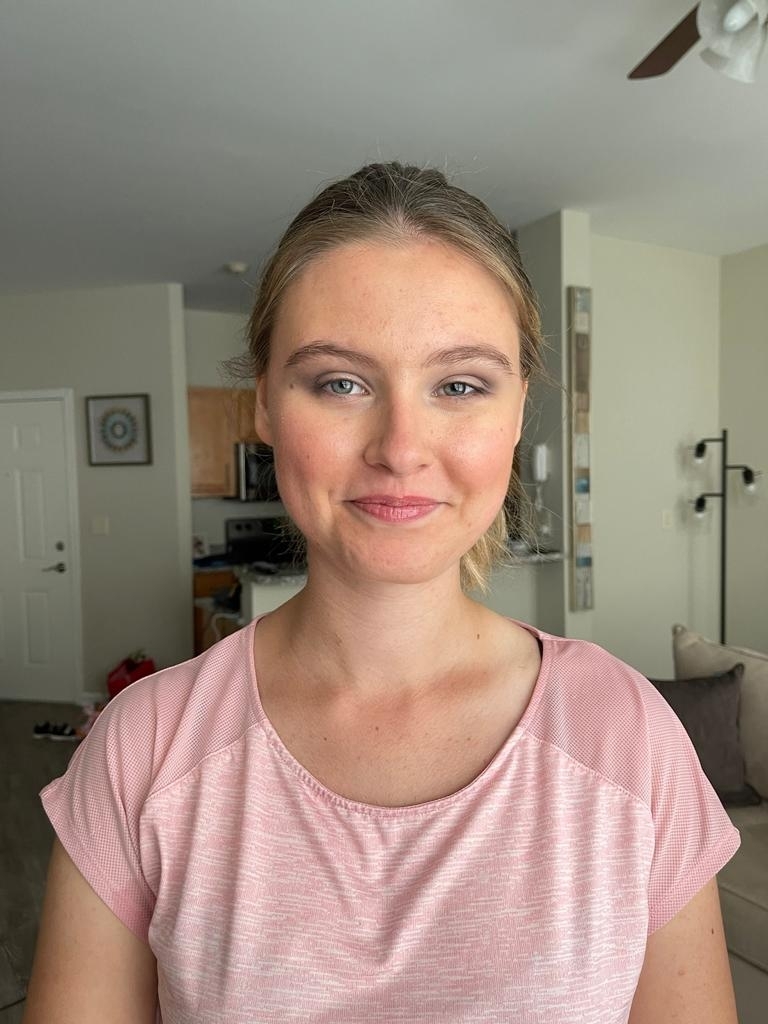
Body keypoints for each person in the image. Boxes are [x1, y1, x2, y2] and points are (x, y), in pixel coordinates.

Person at [23, 162, 740, 1024]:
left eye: (459, 385)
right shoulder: (144, 750)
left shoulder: (628, 738)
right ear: (264, 405)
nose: (400, 447)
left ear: (517, 412)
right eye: (341, 382)